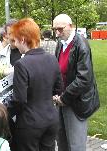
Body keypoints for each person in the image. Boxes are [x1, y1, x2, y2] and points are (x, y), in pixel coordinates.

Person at [8, 18, 63, 151]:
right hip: (51, 119)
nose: (14, 44)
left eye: (15, 40)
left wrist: (5, 111)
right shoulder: (52, 58)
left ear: (22, 39)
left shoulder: (22, 64)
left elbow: (19, 100)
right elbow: (58, 88)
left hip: (30, 123)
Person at [52, 14, 99, 151]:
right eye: (55, 29)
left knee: (76, 145)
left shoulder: (81, 45)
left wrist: (64, 97)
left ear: (70, 26)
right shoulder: (60, 44)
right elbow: (58, 71)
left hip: (76, 102)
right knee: (62, 142)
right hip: (61, 99)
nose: (57, 33)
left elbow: (84, 78)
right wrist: (55, 93)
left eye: (60, 29)